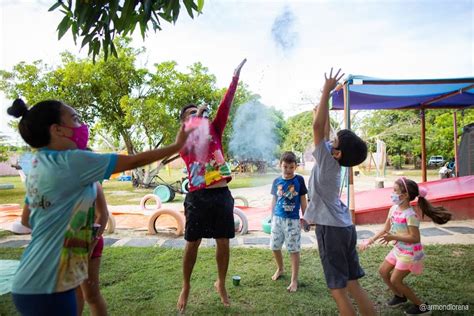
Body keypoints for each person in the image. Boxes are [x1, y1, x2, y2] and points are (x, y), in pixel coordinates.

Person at [7, 98, 191, 315]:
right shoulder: (73, 160)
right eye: (75, 119)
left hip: (28, 282)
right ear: (57, 130)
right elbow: (132, 161)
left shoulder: (38, 164)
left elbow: (28, 219)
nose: (81, 126)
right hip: (50, 286)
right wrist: (177, 146)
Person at [301, 68, 376, 316]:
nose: (331, 139)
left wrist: (326, 90)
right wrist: (325, 99)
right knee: (353, 283)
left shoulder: (326, 159)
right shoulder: (335, 161)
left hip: (331, 230)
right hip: (345, 227)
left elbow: (316, 126)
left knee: (338, 289)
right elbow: (323, 129)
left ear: (338, 152)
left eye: (335, 142)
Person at [177, 58, 246, 312]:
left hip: (221, 196)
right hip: (197, 198)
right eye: (190, 114)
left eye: (199, 112)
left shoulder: (214, 130)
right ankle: (186, 285)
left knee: (224, 242)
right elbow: (184, 135)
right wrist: (195, 119)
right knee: (192, 243)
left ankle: (221, 283)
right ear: (185, 122)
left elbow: (226, 106)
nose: (197, 115)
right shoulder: (184, 142)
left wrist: (234, 78)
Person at [359, 177, 451, 315]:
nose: (392, 193)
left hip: (410, 253)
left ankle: (422, 307)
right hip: (399, 249)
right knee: (383, 272)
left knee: (395, 279)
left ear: (405, 195)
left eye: (395, 191)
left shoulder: (410, 215)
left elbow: (415, 238)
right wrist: (370, 240)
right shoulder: (393, 209)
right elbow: (385, 229)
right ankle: (400, 296)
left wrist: (393, 237)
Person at [269, 151, 307, 292]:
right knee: (274, 246)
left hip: (293, 221)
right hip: (278, 219)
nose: (288, 170)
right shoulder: (276, 181)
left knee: (294, 250)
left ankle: (294, 280)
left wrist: (306, 217)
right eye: (285, 167)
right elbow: (274, 199)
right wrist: (272, 216)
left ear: (295, 167)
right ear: (280, 165)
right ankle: (280, 269)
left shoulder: (299, 180)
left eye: (291, 167)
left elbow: (303, 199)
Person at [75, 181, 108, 316]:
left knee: (91, 295)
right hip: (68, 244)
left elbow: (103, 215)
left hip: (89, 242)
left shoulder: (92, 183)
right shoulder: (59, 180)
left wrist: (91, 246)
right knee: (74, 293)